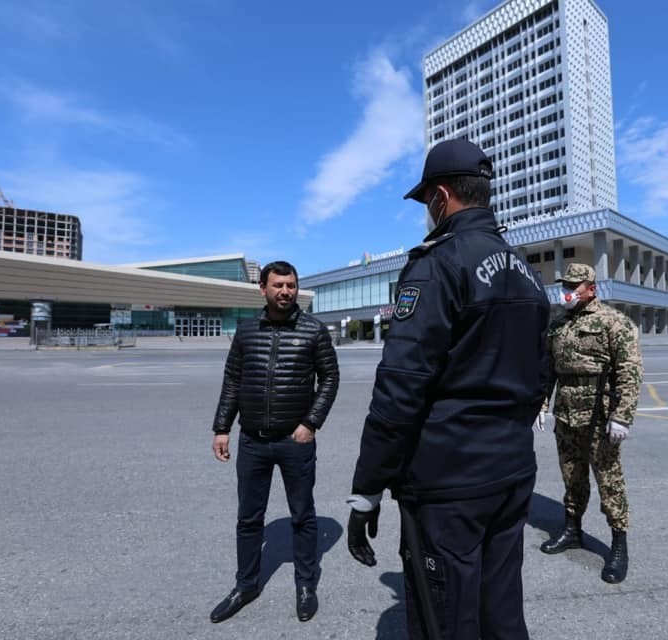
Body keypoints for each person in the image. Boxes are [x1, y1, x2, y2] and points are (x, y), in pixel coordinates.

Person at [346, 139, 551, 639]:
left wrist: (367, 488)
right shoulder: (527, 273)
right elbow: (543, 369)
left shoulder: (437, 263)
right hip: (512, 469)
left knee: (446, 620)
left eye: (426, 205)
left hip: (447, 481)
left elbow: (400, 386)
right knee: (501, 611)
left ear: (441, 197)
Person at [208, 260, 339, 624]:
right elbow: (232, 381)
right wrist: (222, 428)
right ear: (262, 288)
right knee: (249, 519)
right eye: (278, 285)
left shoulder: (313, 331)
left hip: (295, 441)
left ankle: (306, 585)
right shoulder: (246, 332)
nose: (286, 291)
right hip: (252, 440)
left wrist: (311, 423)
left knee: (302, 516)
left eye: (291, 285)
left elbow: (330, 378)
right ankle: (246, 585)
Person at [538, 263, 643, 584]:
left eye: (573, 284)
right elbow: (548, 369)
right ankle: (572, 530)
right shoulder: (559, 325)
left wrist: (622, 415)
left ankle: (618, 545)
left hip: (600, 415)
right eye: (564, 284)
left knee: (609, 481)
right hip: (567, 414)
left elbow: (630, 372)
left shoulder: (614, 322)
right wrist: (542, 403)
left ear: (591, 288)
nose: (566, 289)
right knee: (572, 476)